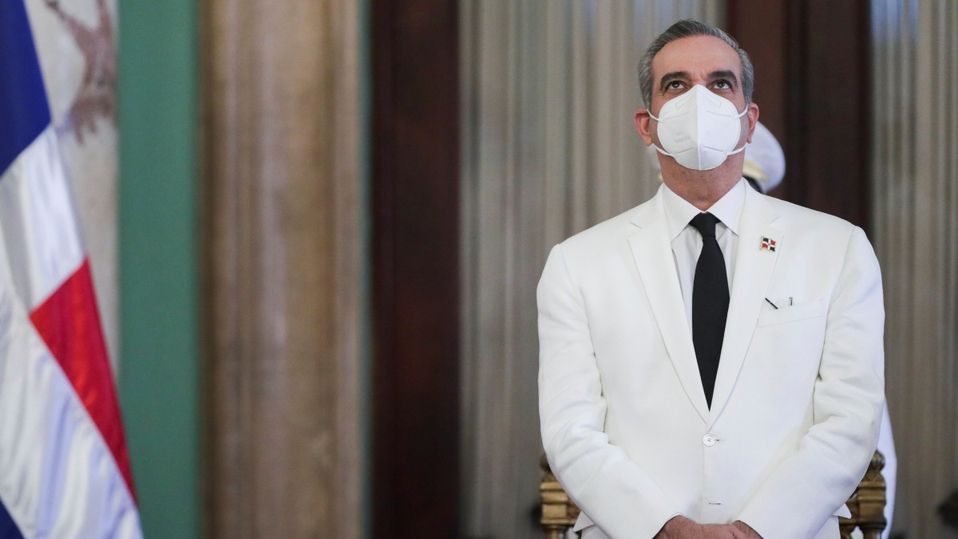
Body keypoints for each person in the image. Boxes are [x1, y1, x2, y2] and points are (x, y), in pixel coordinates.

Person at [537, 20, 885, 539]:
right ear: (646, 124)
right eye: (676, 84)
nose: (699, 100)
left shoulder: (836, 249)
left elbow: (851, 419)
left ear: (749, 120)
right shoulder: (578, 262)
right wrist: (666, 528)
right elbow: (571, 431)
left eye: (721, 83)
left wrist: (756, 530)